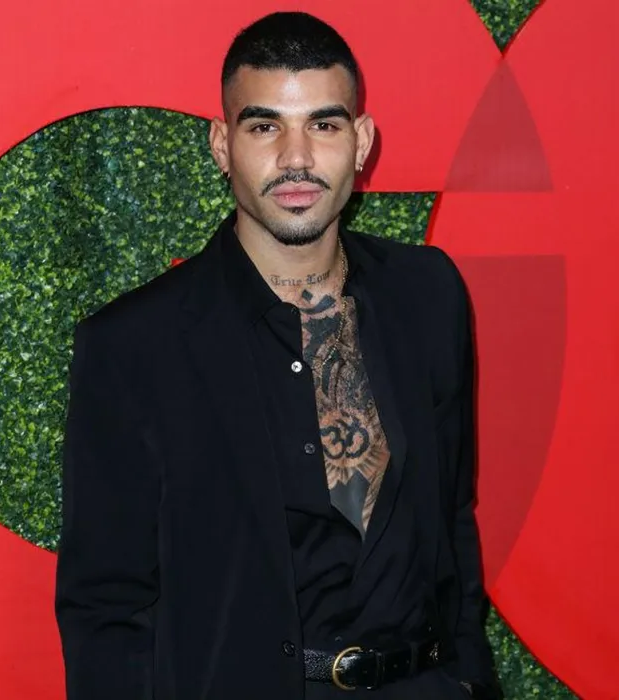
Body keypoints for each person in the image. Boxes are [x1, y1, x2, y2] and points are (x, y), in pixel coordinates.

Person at [55, 11, 498, 700]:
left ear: (361, 142)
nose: (297, 158)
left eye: (324, 124)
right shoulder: (136, 345)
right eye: (265, 126)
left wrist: (470, 680)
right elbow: (107, 604)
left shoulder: (426, 293)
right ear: (223, 144)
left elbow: (451, 518)